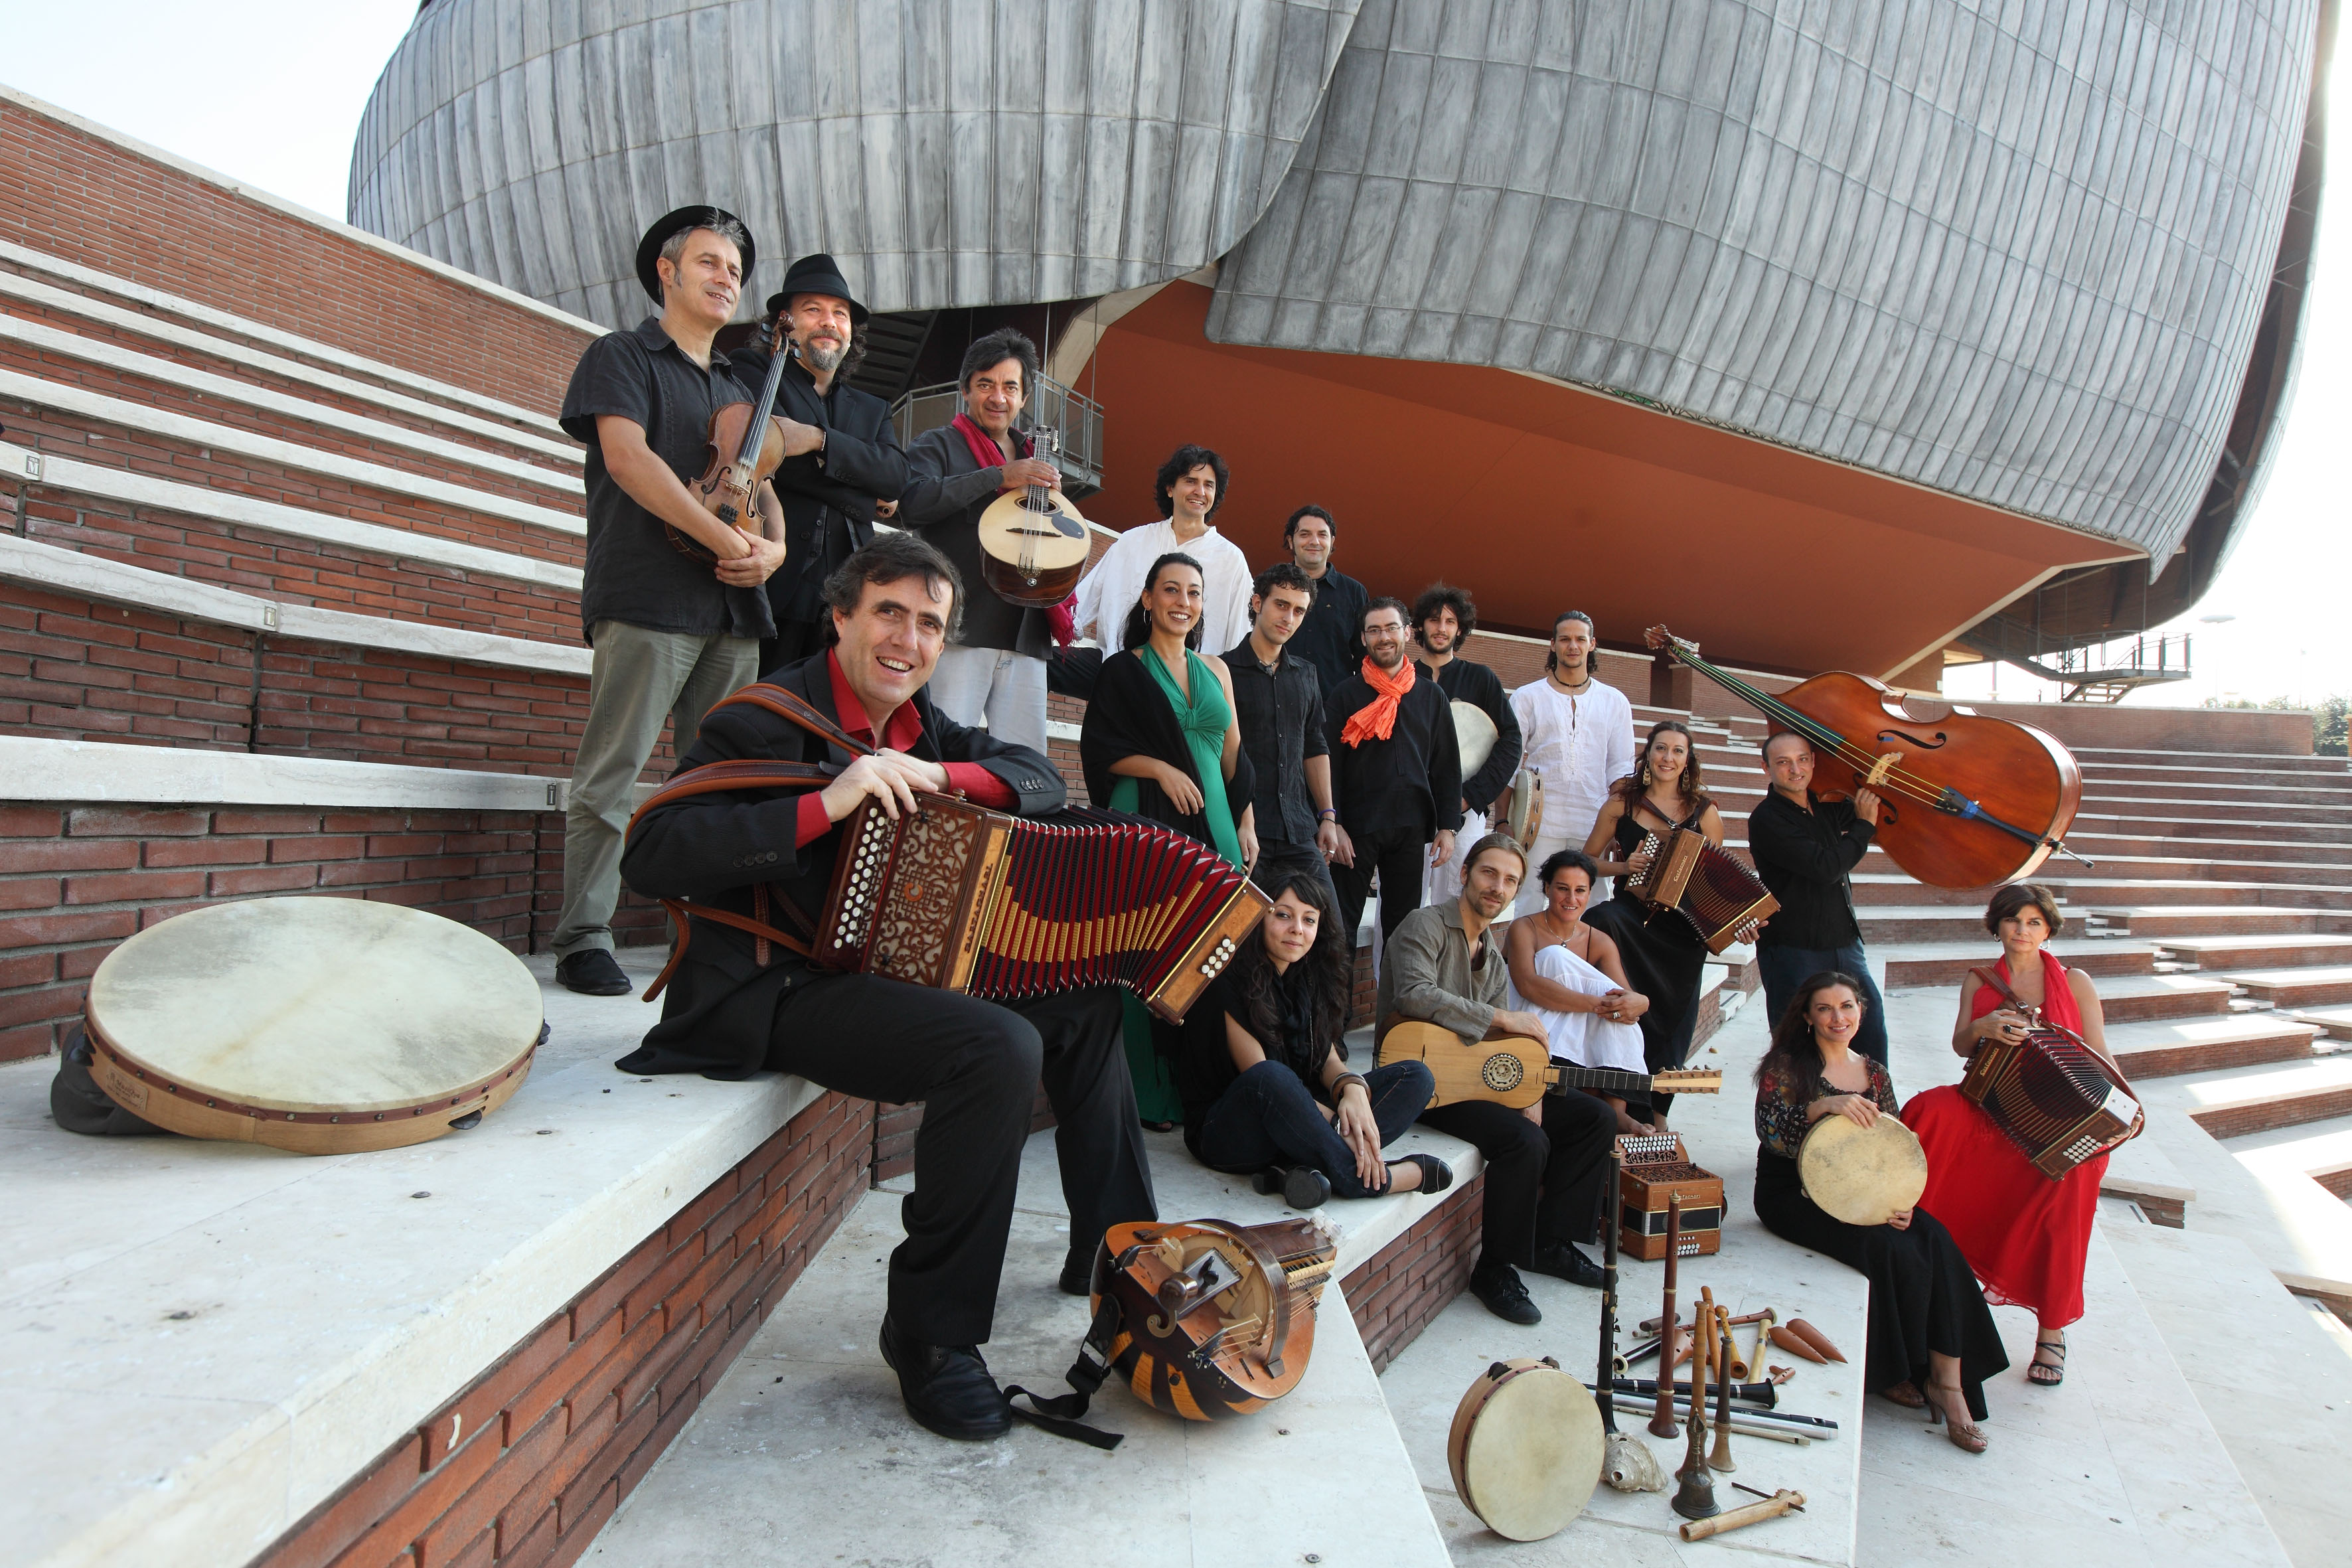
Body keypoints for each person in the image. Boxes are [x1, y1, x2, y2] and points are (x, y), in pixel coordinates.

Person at [618, 533, 1156, 1443]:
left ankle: (1121, 1256)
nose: (909, 639)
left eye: (930, 624)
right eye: (889, 613)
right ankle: (930, 1333)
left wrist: (938, 775)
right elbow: (654, 851)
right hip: (773, 988)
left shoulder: (924, 727)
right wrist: (826, 802)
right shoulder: (760, 718)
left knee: (1089, 1000)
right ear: (840, 617)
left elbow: (1035, 777)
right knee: (997, 1046)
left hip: (879, 974)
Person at [550, 207, 798, 997]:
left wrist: (774, 549)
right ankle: (584, 935)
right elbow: (629, 460)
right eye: (711, 263)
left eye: (736, 271)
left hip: (732, 611)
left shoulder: (737, 388)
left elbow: (760, 487)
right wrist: (725, 538)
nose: (727, 279)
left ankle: (699, 934)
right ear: (667, 271)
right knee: (614, 772)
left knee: (716, 788)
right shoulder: (621, 355)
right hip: (647, 594)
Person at [1752, 971, 2007, 1452]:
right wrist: (1824, 1106)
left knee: (1935, 1239)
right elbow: (1771, 1135)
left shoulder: (1874, 1072)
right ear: (1807, 1016)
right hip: (1792, 1193)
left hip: (1862, 1186)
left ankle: (1948, 1385)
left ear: (1860, 1012)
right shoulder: (1787, 1066)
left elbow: (1893, 1146)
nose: (1837, 1017)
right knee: (1886, 1249)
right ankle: (1895, 1371)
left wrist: (1901, 1200)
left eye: (1846, 1006)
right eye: (1825, 1008)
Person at [1381, 835, 1619, 1322]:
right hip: (1420, 1082)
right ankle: (1494, 1268)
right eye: (1489, 873)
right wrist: (1504, 1019)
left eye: (1510, 880)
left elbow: (1500, 1041)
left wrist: (1529, 1087)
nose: (1498, 887)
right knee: (1524, 1141)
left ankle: (1549, 1242)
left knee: (1593, 1118)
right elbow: (1413, 994)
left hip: (1471, 1078)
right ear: (1464, 873)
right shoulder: (1425, 924)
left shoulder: (1489, 952)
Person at [1903, 884, 2123, 1389]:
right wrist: (1983, 1026)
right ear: (1997, 926)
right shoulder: (1978, 979)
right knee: (1928, 1112)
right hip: (1991, 1105)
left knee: (2072, 1179)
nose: (2022, 931)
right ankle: (1916, 1263)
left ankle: (2051, 1330)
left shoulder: (2075, 981)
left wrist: (2120, 1108)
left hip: (2051, 1116)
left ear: (2047, 930)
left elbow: (2097, 1048)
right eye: (2012, 921)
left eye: (2033, 922)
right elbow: (1961, 1044)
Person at [1079, 552, 1257, 1128]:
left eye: (1194, 592)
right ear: (1148, 599)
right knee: (1143, 949)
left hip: (1216, 820)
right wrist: (1159, 768)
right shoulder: (1122, 670)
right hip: (1143, 819)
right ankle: (1148, 1094)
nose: (1183, 602)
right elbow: (1099, 749)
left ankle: (1203, 1088)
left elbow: (1233, 757)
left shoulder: (1217, 671)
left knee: (1214, 954)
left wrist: (1245, 820)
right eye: (1171, 590)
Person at [1179, 845, 1449, 1207]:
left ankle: (1308, 1166)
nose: (1297, 930)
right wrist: (1339, 1123)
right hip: (1232, 1129)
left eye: (1309, 920)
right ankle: (1366, 1180)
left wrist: (1351, 1090)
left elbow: (1327, 1058)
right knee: (1272, 1077)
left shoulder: (1309, 975)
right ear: (1259, 917)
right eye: (1283, 915)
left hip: (1301, 1116)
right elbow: (1262, 1080)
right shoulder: (1227, 979)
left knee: (1416, 1077)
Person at [729, 253, 910, 672]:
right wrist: (865, 497)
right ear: (785, 321)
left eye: (840, 314)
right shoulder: (754, 371)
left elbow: (897, 476)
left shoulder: (874, 408)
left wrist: (817, 440)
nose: (829, 322)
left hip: (847, 596)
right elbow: (777, 463)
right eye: (813, 310)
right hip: (773, 582)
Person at [1579, 720, 1720, 1129]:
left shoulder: (1705, 812)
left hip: (1682, 933)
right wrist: (1625, 866)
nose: (1668, 758)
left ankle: (1658, 1118)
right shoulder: (1621, 805)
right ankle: (1617, 1105)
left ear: (1688, 760)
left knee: (1672, 1026)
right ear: (1648, 754)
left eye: (1678, 751)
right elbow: (1586, 861)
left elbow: (1716, 880)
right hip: (1632, 920)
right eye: (1661, 748)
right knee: (1602, 918)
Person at [1327, 598, 1462, 944]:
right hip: (1355, 829)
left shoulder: (1432, 696)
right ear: (1363, 639)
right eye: (1374, 630)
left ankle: (1394, 985)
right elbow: (1329, 765)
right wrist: (1333, 822)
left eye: (1391, 628)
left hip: (1410, 827)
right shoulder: (1345, 695)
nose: (1383, 637)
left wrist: (1448, 827)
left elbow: (1447, 766)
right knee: (1340, 929)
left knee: (1403, 933)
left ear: (1407, 633)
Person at [1748, 731, 1891, 1058]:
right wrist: (1863, 827)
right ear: (1767, 768)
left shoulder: (1826, 804)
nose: (1795, 769)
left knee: (1870, 1036)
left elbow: (1875, 802)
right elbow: (1826, 867)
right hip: (1793, 950)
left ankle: (1874, 1094)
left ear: (1813, 761)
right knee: (1798, 1049)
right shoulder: (1767, 818)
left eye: (1802, 760)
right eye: (1783, 762)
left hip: (1845, 943)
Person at [1224, 562, 1350, 911]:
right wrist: (1238, 821)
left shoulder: (1307, 674)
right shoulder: (1222, 671)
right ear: (1257, 603)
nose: (1289, 618)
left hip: (1298, 828)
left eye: (1299, 611)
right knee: (1243, 933)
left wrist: (1328, 816)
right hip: (1244, 830)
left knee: (1330, 928)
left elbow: (1315, 745)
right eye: (1281, 605)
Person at [1504, 849, 1653, 1135]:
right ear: (1547, 888)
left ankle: (1617, 1110)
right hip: (1528, 1024)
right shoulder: (1524, 927)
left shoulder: (1598, 940)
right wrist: (1599, 1004)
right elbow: (1527, 985)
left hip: (1575, 1033)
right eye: (1563, 889)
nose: (1571, 899)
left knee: (1618, 1002)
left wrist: (1641, 1002)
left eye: (1580, 890)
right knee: (1556, 958)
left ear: (1589, 893)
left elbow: (1626, 997)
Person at [1071, 444, 1253, 657]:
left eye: (1209, 485)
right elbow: (1078, 606)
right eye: (1191, 481)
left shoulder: (1231, 560)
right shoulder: (1132, 542)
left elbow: (1241, 636)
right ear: (1170, 488)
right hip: (1120, 666)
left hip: (1193, 674)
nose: (1200, 492)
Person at [1508, 611, 1633, 917]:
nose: (1573, 646)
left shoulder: (1615, 701)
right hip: (1540, 819)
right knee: (1530, 898)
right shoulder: (1527, 697)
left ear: (1592, 644)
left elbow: (1621, 768)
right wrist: (1503, 822)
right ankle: (1527, 951)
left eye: (1580, 639)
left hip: (1594, 820)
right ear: (1553, 644)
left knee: (1595, 901)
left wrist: (1618, 828)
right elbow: (1510, 764)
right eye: (1565, 639)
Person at [1412, 582, 1522, 905]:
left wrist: (1469, 797)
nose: (1441, 628)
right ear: (1420, 625)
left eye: (1450, 622)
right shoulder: (1403, 678)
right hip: (1409, 808)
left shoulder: (1481, 678)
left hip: (1465, 807)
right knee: (1400, 903)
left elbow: (1511, 742)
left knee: (1457, 902)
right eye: (1434, 620)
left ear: (1460, 629)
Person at [1281, 505, 1370, 693]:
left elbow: (1365, 656)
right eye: (1305, 534)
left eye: (1322, 535)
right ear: (1290, 541)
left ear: (1332, 541)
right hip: (1279, 699)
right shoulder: (1273, 587)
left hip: (1335, 703)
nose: (1314, 541)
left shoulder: (1354, 592)